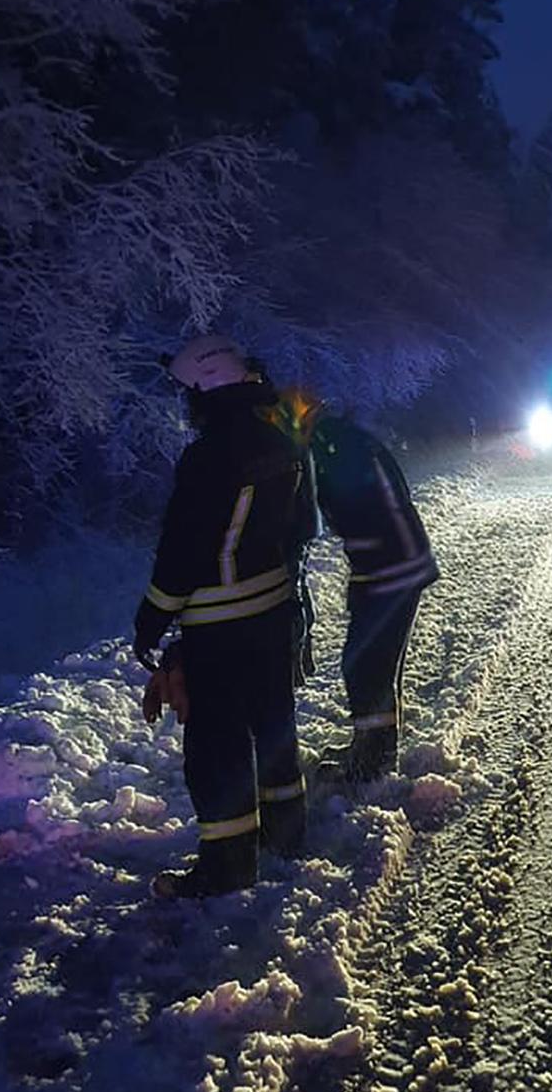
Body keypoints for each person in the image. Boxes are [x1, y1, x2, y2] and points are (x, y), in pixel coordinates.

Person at [133, 336, 310, 899]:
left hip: (219, 625)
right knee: (274, 722)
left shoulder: (207, 457)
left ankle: (229, 866)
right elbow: (301, 527)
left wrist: (151, 618)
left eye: (188, 394)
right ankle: (286, 830)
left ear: (205, 390)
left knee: (217, 745)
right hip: (273, 611)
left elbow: (184, 549)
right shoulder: (281, 441)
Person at [274, 388, 438, 781]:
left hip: (390, 568)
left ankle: (373, 763)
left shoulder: (333, 448)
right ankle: (373, 746)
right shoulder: (340, 440)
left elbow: (343, 509)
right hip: (392, 564)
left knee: (365, 665)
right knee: (373, 663)